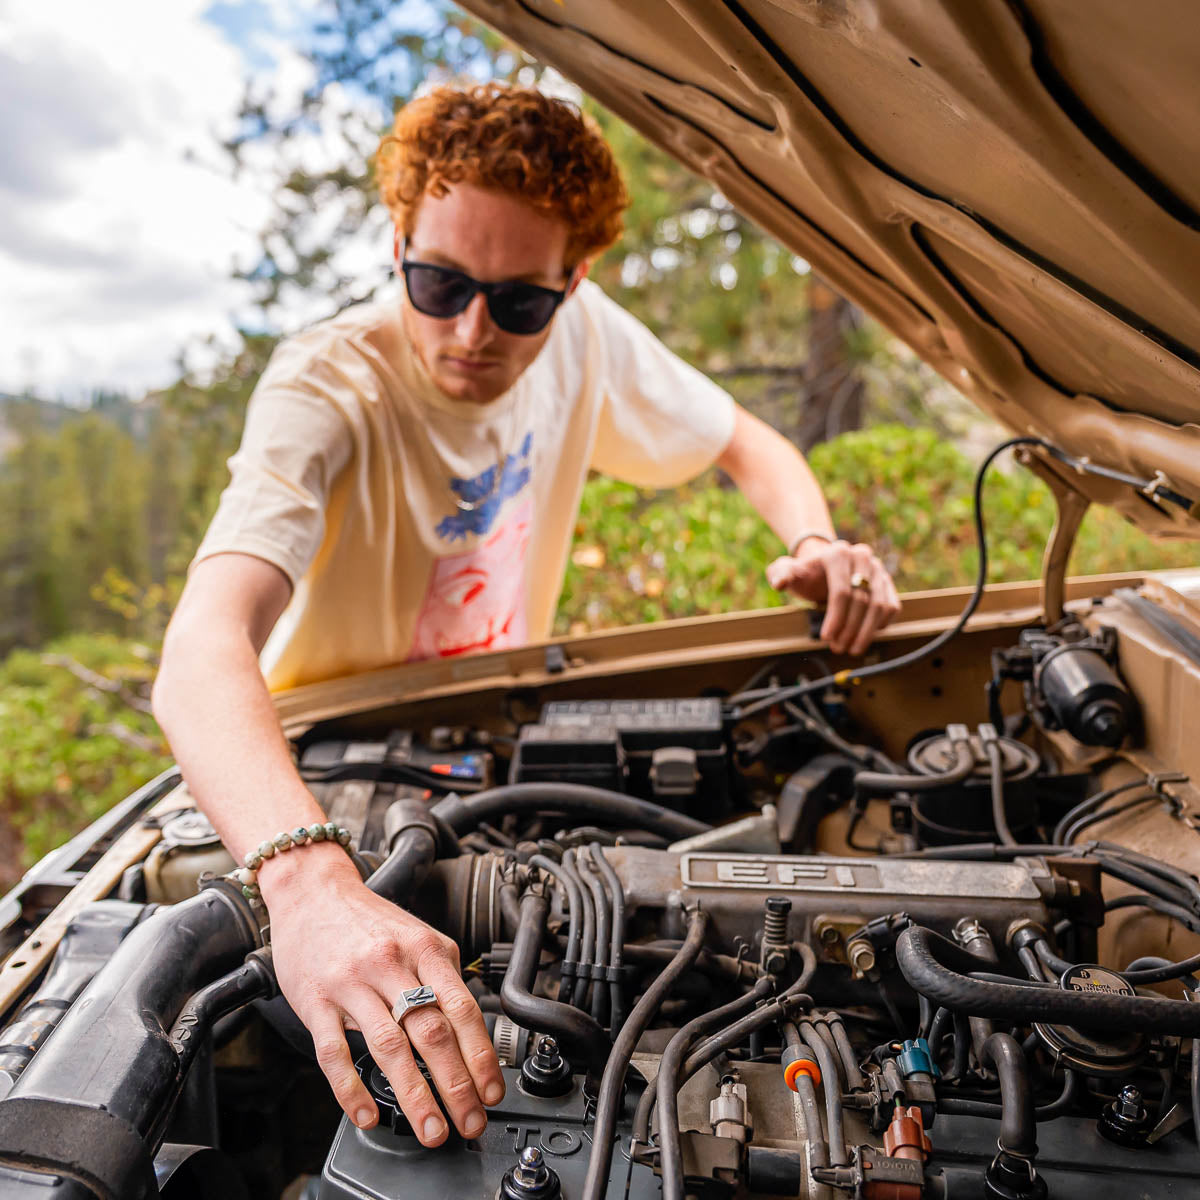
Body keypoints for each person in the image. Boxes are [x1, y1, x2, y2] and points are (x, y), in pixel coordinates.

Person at [152, 83, 900, 1149]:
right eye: (437, 281)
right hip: (306, 777)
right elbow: (198, 652)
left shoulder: (588, 337)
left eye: (519, 304)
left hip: (496, 752)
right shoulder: (328, 384)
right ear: (398, 237)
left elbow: (749, 442)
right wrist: (313, 887)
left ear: (572, 282)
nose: (471, 332)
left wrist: (817, 542)